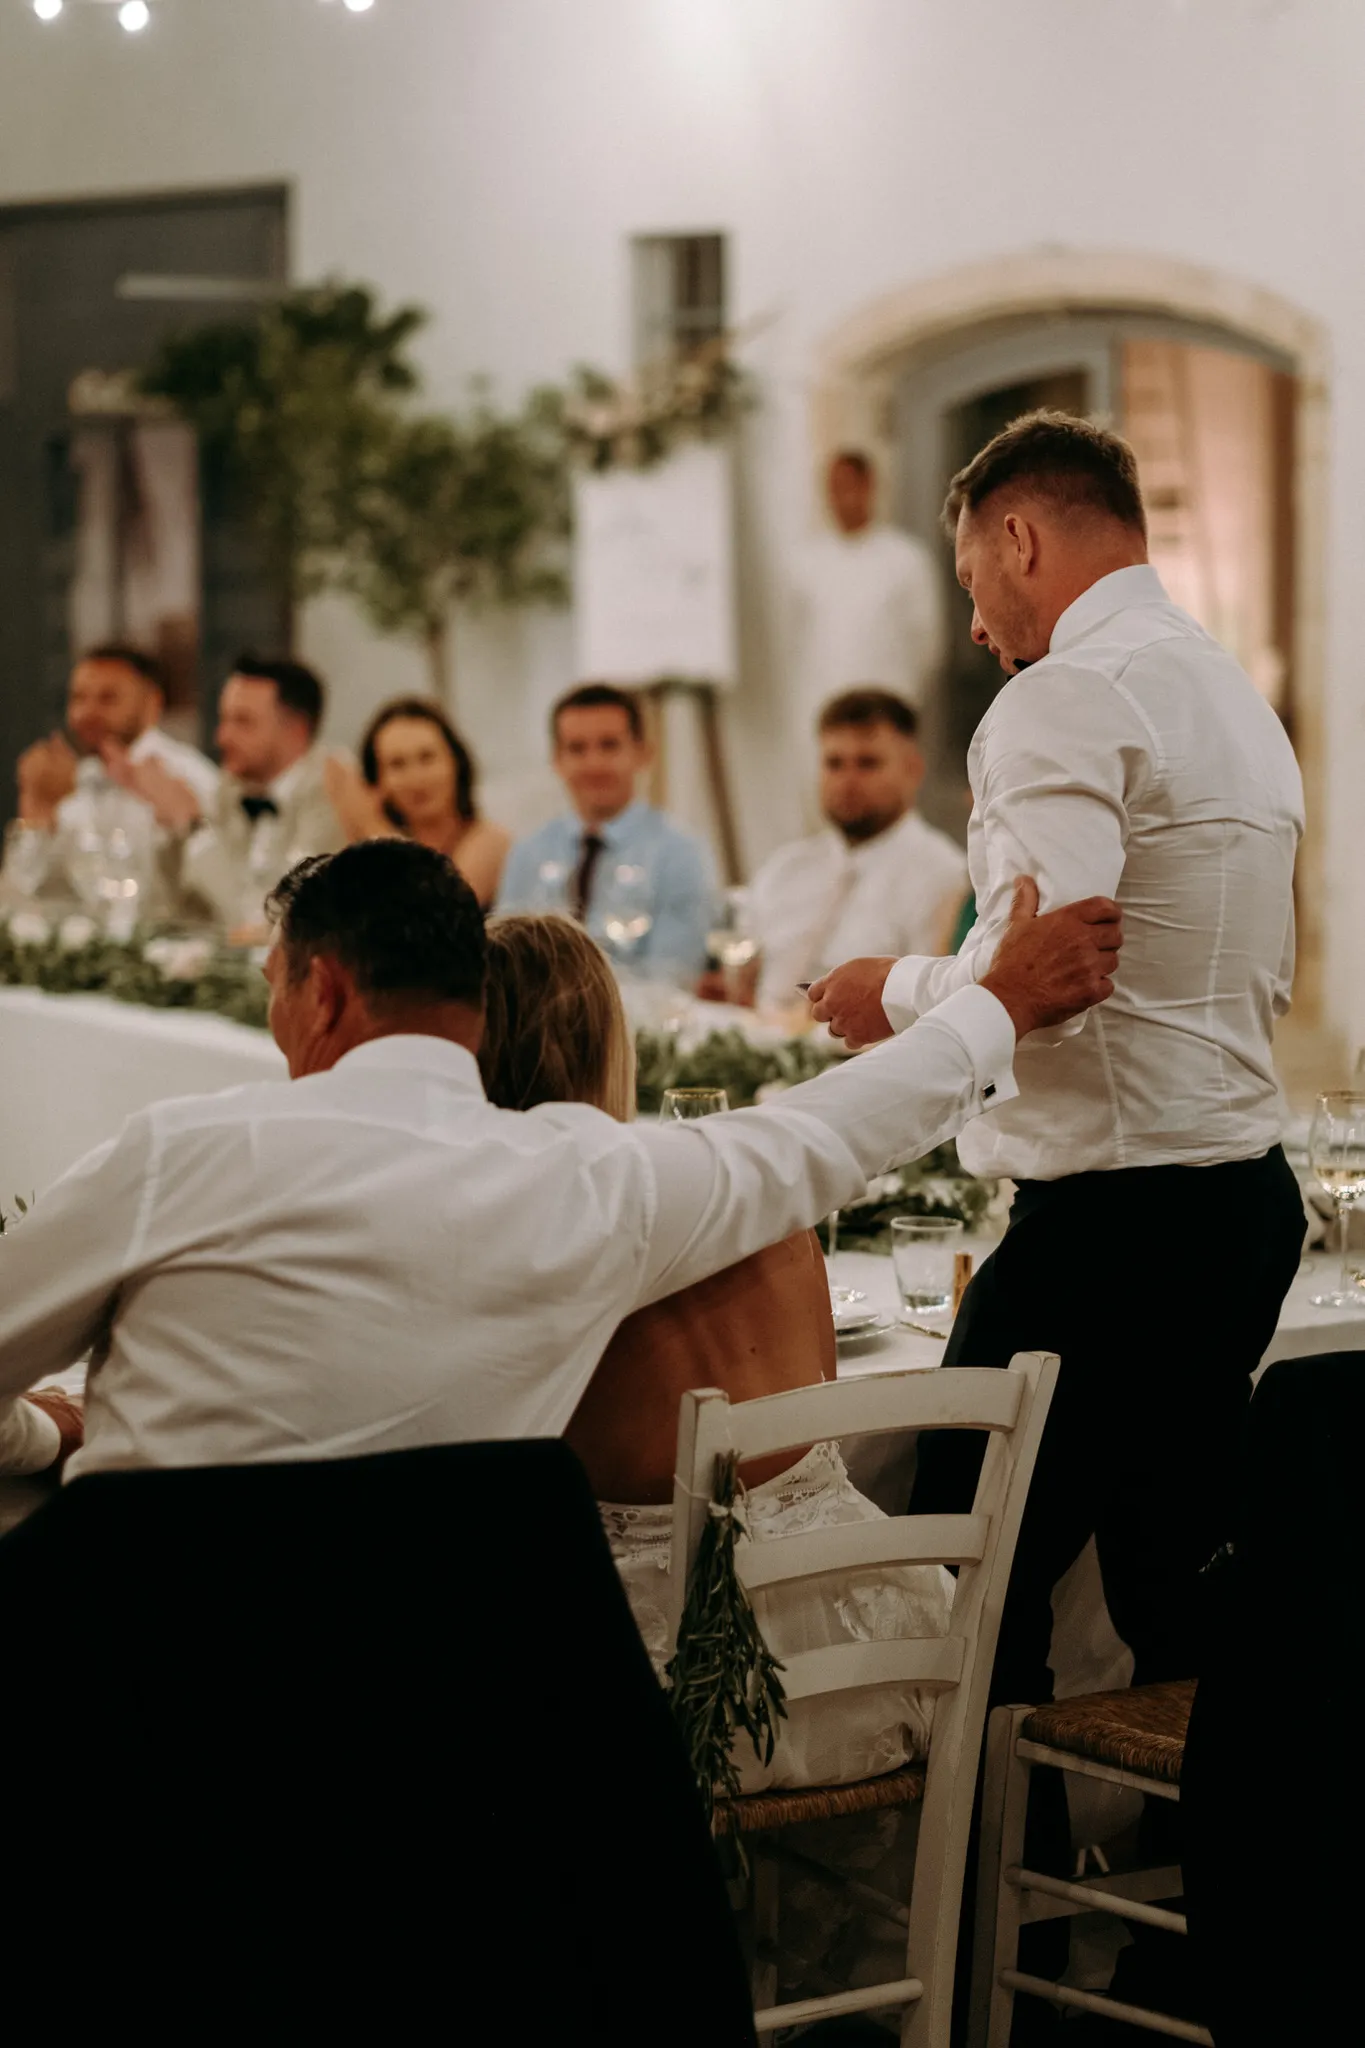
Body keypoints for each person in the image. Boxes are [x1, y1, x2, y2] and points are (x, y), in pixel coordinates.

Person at [0, 838, 1118, 1484]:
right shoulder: (590, 1182)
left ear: (324, 988)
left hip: (140, 1703)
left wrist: (45, 1426)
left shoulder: (180, 1154)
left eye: (274, 990)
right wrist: (1002, 1001)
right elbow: (815, 1137)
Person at [810, 410, 1307, 1723]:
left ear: (1019, 538)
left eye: (976, 581)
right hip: (1241, 1199)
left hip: (1111, 1223)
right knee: (1170, 1597)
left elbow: (1058, 974)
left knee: (966, 1594)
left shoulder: (1061, 699)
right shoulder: (1229, 691)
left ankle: (992, 1929)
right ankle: (1164, 1922)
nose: (976, 626)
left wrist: (892, 990)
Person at [477, 910, 954, 1790]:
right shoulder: (750, 1193)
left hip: (677, 1700)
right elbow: (820, 1391)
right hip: (874, 1661)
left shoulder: (545, 1236)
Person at [749, 688, 969, 1010]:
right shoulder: (786, 867)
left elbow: (931, 1009)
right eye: (834, 764)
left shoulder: (943, 877)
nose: (847, 781)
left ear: (912, 770)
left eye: (867, 764)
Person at [496, 683, 717, 982]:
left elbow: (673, 974)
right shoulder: (528, 853)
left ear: (643, 753)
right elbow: (506, 962)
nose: (594, 763)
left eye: (609, 745)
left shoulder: (679, 853)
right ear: (557, 760)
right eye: (577, 749)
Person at [124, 655, 345, 935]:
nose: (221, 737)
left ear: (296, 729)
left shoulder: (333, 795)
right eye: (223, 719)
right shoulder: (231, 788)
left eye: (243, 722)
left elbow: (268, 924)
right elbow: (170, 913)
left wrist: (195, 827)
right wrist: (173, 831)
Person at [7, 644, 218, 901]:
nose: (87, 713)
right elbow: (24, 898)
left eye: (108, 698)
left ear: (152, 703)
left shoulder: (192, 777)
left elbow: (221, 894)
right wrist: (38, 813)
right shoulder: (66, 780)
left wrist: (185, 821)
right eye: (78, 698)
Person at [788, 450, 944, 738]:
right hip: (822, 705)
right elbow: (797, 640)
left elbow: (926, 644)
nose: (841, 498)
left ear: (868, 486)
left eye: (848, 486)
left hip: (886, 704)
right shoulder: (806, 564)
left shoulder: (906, 560)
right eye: (833, 488)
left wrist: (903, 698)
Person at [322, 696, 511, 908]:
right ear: (377, 783)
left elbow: (437, 915)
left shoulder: (490, 841)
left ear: (456, 762)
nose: (416, 779)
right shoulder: (370, 853)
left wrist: (368, 822)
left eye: (427, 758)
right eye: (397, 764)